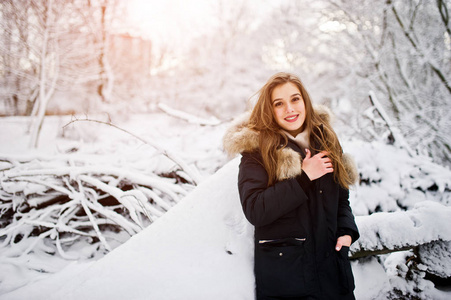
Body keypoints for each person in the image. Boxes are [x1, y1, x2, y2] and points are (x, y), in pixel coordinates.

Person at [223, 72, 360, 299]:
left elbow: (341, 196)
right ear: (270, 109)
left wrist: (346, 232)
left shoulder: (326, 139)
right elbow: (256, 210)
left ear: (305, 101)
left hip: (335, 277)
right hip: (289, 281)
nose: (290, 109)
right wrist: (305, 177)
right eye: (279, 103)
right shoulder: (257, 151)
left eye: (295, 99)